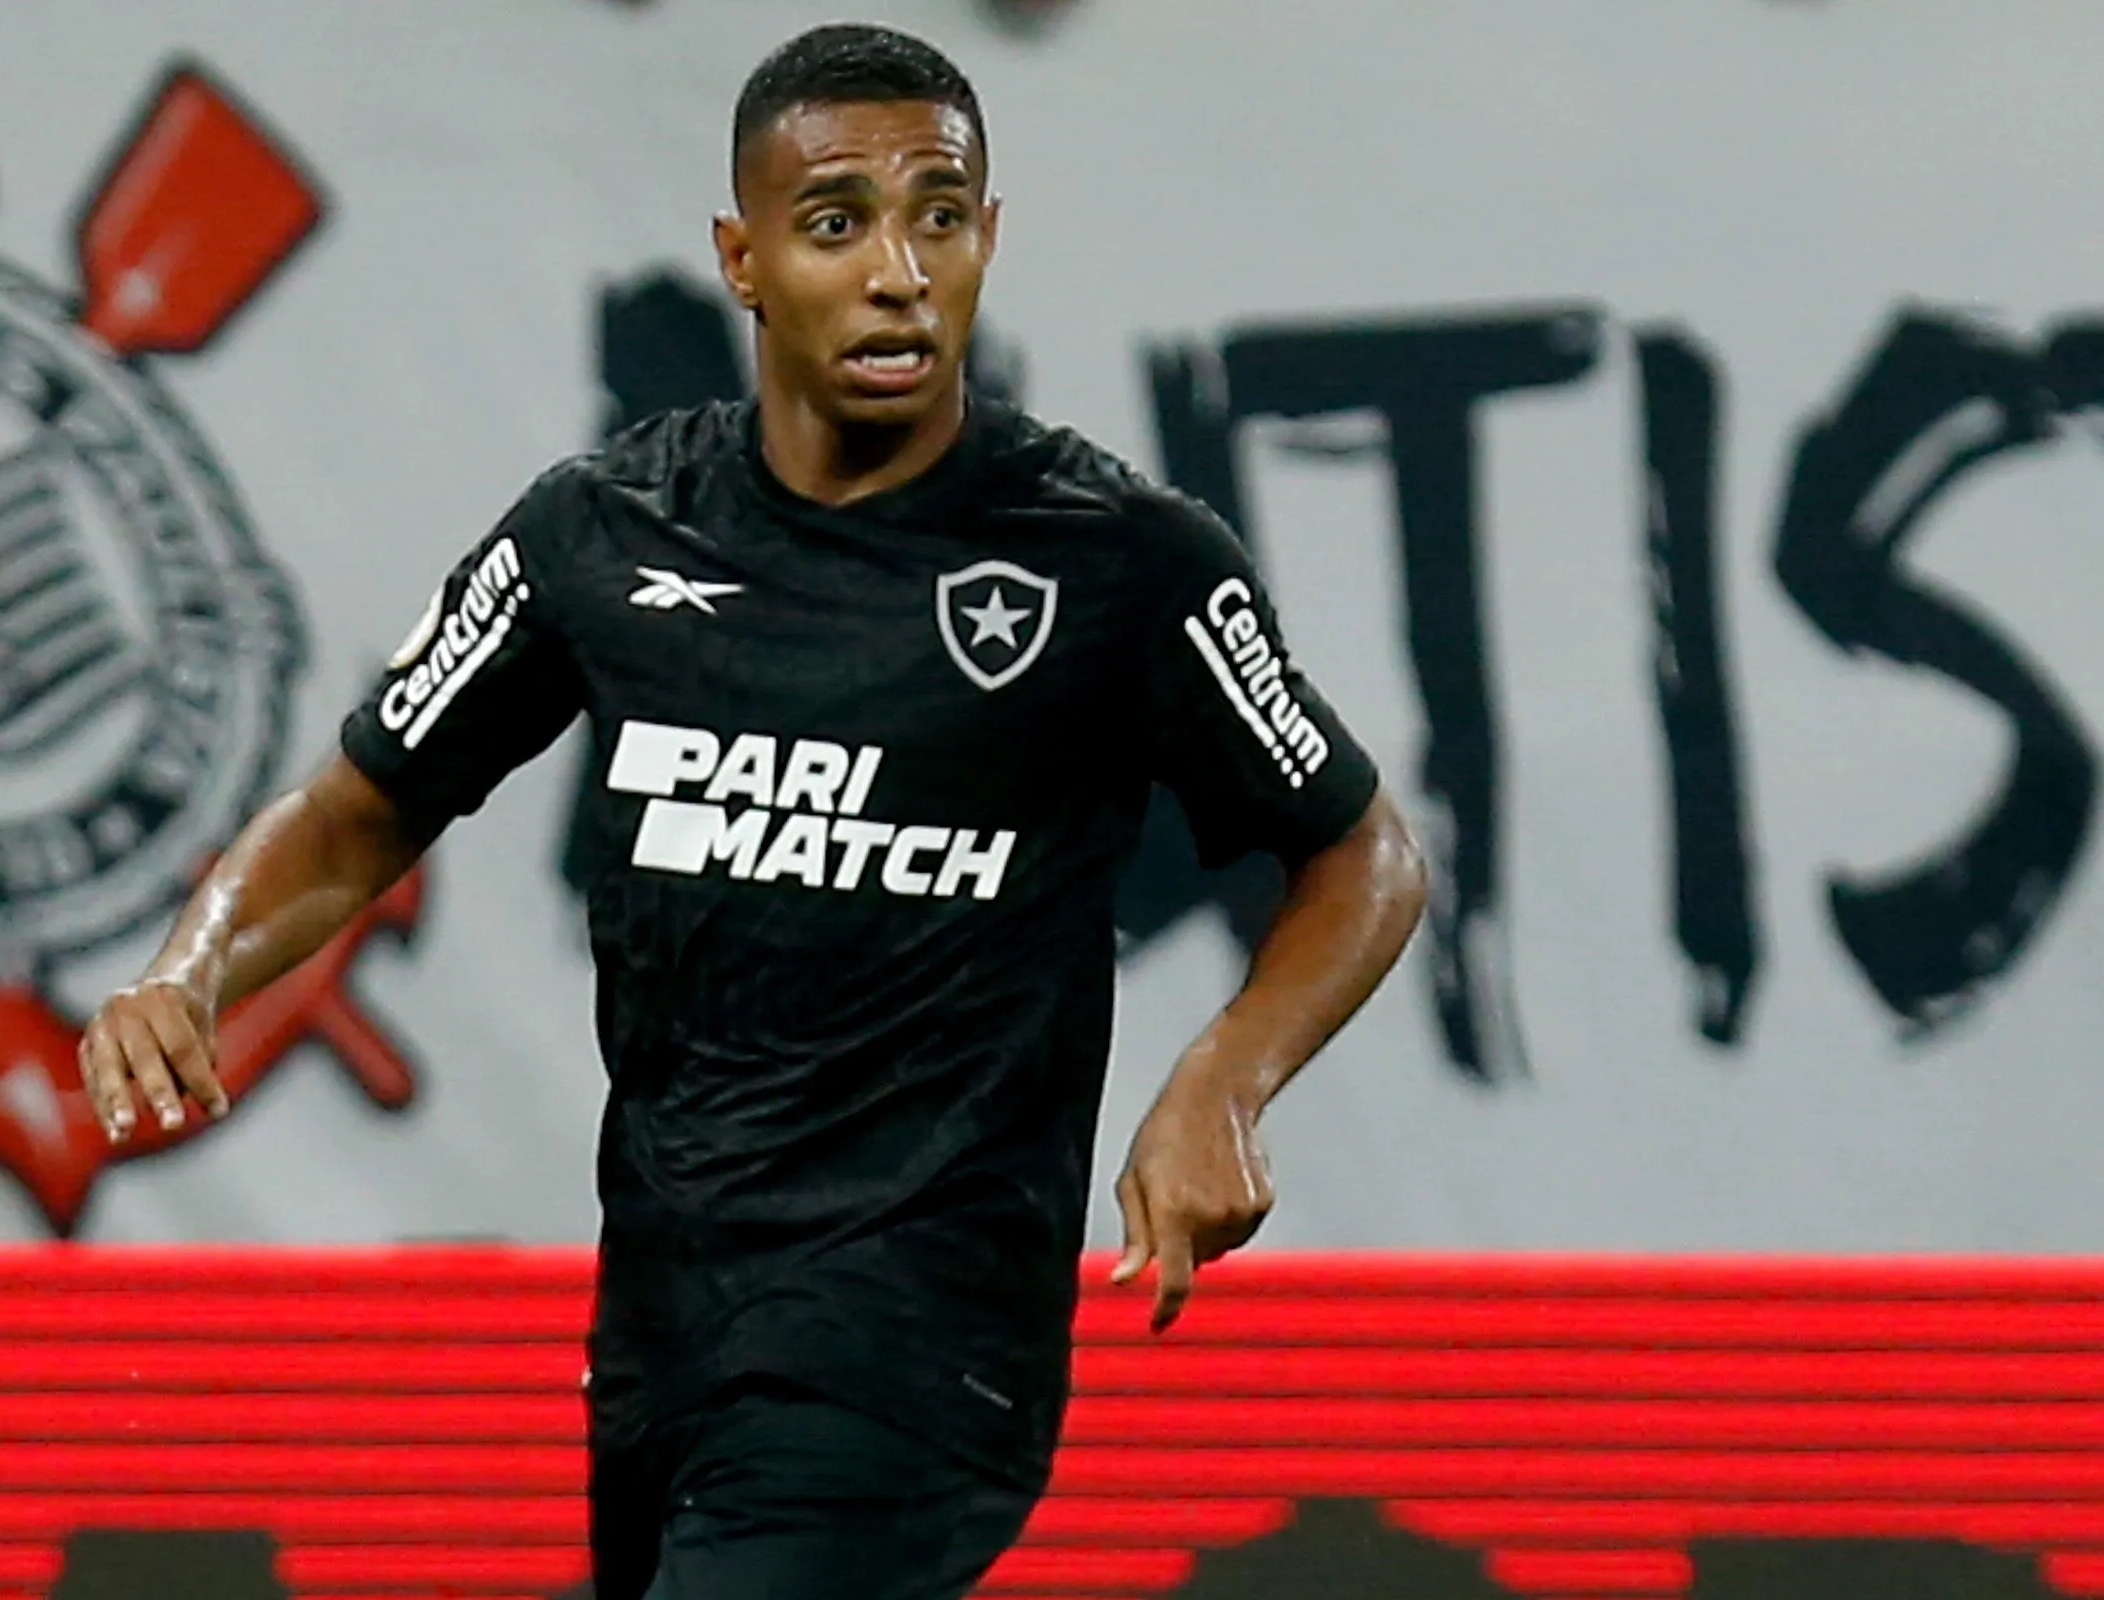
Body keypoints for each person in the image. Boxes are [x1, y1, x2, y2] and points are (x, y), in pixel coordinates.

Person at [80, 21, 1428, 1600]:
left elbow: (1365, 852)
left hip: (915, 1349)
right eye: (836, 222)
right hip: (663, 1333)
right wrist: (191, 965)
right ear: (742, 256)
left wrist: (1227, 1077)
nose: (898, 273)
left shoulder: (1118, 561)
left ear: (989, 238)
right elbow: (364, 808)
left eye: (939, 215)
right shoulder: (602, 534)